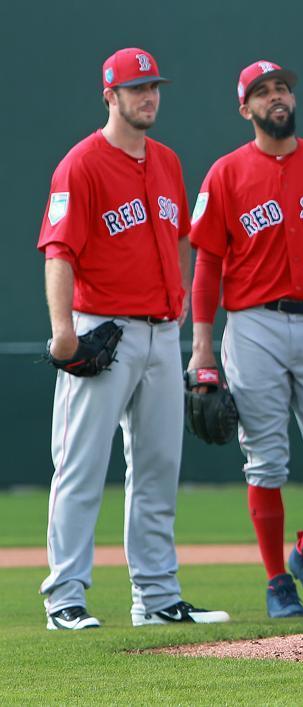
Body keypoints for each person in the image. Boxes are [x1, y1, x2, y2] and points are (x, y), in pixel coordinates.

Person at [36, 48, 229, 630]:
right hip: (103, 332)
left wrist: (187, 327)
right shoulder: (82, 164)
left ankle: (156, 596)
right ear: (110, 96)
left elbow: (181, 243)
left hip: (161, 334)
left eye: (154, 87)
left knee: (157, 468)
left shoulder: (167, 162)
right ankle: (64, 598)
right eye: (136, 88)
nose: (149, 96)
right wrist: (64, 331)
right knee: (80, 467)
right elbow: (59, 250)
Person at [187, 60, 303, 618]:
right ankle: (276, 581)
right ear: (245, 108)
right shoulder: (225, 173)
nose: (277, 98)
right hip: (253, 325)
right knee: (265, 462)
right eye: (264, 92)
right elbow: (207, 265)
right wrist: (202, 346)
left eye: (283, 89)